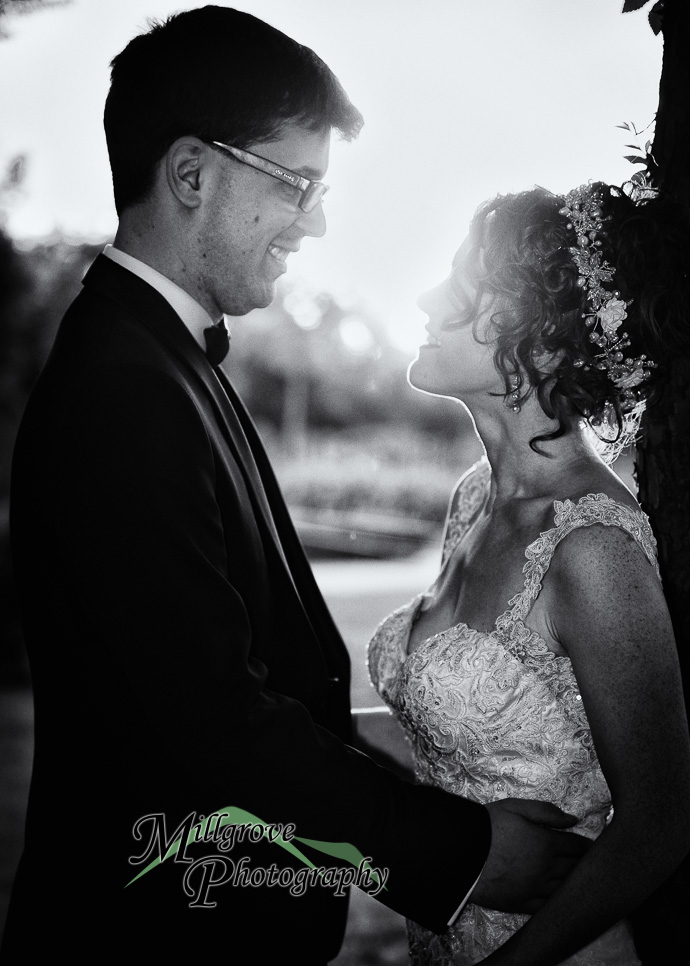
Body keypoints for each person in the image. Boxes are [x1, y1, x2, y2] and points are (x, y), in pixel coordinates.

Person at [2, 7, 590, 965]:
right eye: (299, 183)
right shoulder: (125, 391)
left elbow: (247, 677)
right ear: (191, 173)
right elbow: (212, 725)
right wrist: (467, 854)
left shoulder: (161, 363)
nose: (316, 223)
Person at [368, 180, 690, 965]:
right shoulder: (473, 499)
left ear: (540, 341)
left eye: (458, 284)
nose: (422, 297)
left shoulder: (592, 551)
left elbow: (658, 829)